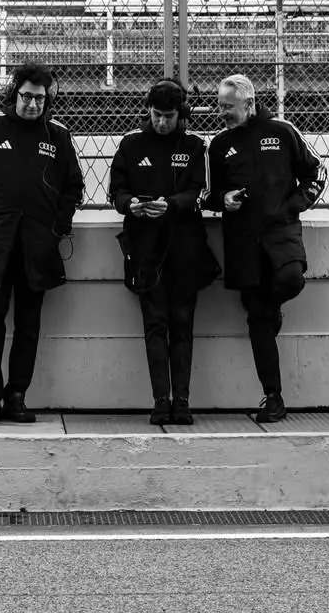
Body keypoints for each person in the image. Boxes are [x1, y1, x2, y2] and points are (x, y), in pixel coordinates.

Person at [0, 61, 85, 424]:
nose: (32, 104)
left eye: (39, 98)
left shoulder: (58, 135)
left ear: (47, 100)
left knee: (29, 325)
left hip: (38, 247)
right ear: (15, 94)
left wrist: (58, 227)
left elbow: (73, 186)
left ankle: (17, 396)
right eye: (26, 96)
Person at [204, 74, 327, 424]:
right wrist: (223, 199)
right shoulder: (218, 144)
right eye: (219, 106)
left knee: (291, 280)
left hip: (281, 234)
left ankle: (272, 310)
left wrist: (292, 207)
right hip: (242, 242)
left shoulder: (282, 131)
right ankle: (273, 398)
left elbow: (317, 172)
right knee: (257, 319)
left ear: (250, 104)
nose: (222, 112)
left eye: (228, 107)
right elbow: (207, 193)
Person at [108, 78, 220, 426]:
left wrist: (170, 205)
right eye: (156, 114)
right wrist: (130, 205)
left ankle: (182, 402)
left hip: (184, 249)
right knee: (155, 324)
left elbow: (201, 192)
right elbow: (116, 191)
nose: (161, 122)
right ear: (148, 110)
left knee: (182, 324)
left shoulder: (195, 145)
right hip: (144, 250)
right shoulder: (131, 144)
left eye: (168, 116)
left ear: (181, 114)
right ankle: (160, 401)